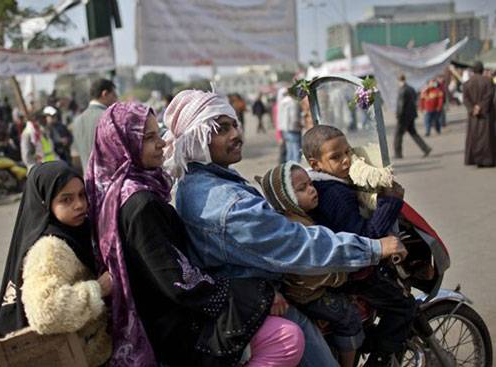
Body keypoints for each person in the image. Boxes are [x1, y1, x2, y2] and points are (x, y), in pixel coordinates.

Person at [163, 89, 407, 367]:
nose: (235, 134)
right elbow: (296, 244)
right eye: (220, 129)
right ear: (196, 139)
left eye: (233, 124)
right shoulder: (226, 204)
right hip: (256, 302)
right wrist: (374, 247)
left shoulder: (199, 179)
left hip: (253, 290)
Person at [85, 101, 305, 366]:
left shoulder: (117, 191)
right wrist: (257, 295)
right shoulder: (140, 203)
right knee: (287, 338)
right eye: (148, 138)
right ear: (122, 143)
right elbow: (179, 281)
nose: (162, 144)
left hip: (162, 313)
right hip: (173, 325)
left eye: (159, 134)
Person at [302, 125, 417, 366]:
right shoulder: (335, 193)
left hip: (332, 267)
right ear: (315, 164)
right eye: (336, 157)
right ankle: (381, 359)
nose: (345, 161)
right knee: (403, 306)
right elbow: (364, 238)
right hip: (353, 270)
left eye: (348, 152)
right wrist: (390, 202)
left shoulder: (320, 184)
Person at [0, 161, 112, 367]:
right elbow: (46, 312)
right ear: (45, 203)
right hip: (78, 357)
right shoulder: (49, 248)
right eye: (66, 199)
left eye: (82, 195)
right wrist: (98, 289)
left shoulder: (75, 232)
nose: (79, 205)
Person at [256, 162, 363, 367]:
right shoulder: (298, 227)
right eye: (302, 189)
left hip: (300, 291)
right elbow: (315, 272)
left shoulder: (295, 218)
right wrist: (341, 276)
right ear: (285, 199)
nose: (312, 190)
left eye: (310, 184)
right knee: (349, 316)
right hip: (309, 294)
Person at [72, 78, 117, 173]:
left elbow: (75, 156)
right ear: (104, 94)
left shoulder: (77, 121)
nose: (115, 99)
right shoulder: (110, 117)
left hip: (88, 181)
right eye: (114, 95)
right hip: (109, 180)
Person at [462, 61, 496, 167]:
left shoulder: (467, 84)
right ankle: (487, 159)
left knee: (474, 137)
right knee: (487, 138)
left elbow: (465, 99)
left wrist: (473, 109)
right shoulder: (488, 81)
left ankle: (477, 160)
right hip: (486, 115)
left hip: (473, 116)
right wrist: (480, 107)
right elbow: (489, 96)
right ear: (482, 70)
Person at [394, 74, 431, 159]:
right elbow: (415, 99)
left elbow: (401, 105)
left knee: (398, 135)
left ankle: (398, 153)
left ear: (399, 81)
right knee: (413, 133)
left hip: (404, 116)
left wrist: (398, 115)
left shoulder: (402, 90)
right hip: (411, 115)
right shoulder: (411, 88)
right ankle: (426, 148)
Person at [278, 89, 303, 162]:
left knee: (289, 151)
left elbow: (279, 117)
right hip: (293, 128)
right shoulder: (293, 102)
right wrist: (300, 125)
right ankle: (296, 167)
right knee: (296, 151)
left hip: (284, 129)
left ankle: (289, 169)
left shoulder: (282, 102)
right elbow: (294, 117)